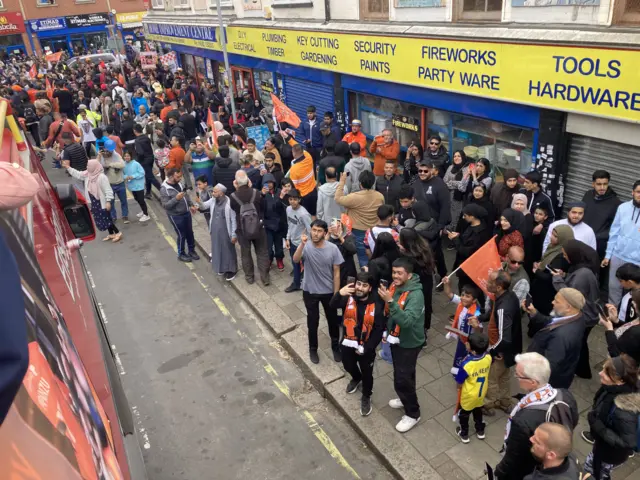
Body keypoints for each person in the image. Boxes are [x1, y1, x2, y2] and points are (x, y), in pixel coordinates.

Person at [494, 352, 579, 480]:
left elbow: (513, 458)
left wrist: (499, 472)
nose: (515, 376)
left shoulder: (522, 422)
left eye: (518, 375)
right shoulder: (565, 395)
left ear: (533, 382)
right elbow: (573, 420)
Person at [378, 257, 425, 433]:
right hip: (396, 339)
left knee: (402, 378)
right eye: (393, 272)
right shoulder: (397, 287)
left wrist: (390, 301)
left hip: (409, 342)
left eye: (399, 273)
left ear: (409, 275)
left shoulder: (416, 295)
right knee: (404, 373)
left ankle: (413, 413)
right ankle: (404, 398)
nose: (395, 276)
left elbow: (406, 322)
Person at [330, 272, 386, 416]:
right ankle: (356, 378)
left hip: (366, 347)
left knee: (367, 374)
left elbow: (379, 330)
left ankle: (366, 396)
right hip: (348, 342)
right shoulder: (348, 297)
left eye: (364, 285)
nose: (360, 288)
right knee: (348, 365)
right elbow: (332, 305)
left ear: (370, 288)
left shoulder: (377, 305)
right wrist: (339, 293)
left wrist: (367, 348)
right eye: (358, 284)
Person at [293, 220, 344, 364]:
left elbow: (336, 273)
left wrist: (336, 294)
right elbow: (296, 260)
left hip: (328, 292)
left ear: (325, 233)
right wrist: (302, 244)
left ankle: (335, 347)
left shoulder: (333, 249)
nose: (315, 233)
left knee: (332, 321)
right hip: (310, 291)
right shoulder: (306, 246)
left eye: (319, 231)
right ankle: (313, 349)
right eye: (313, 230)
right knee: (312, 322)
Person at [473, 270, 521, 415]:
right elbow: (492, 313)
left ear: (499, 287)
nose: (486, 283)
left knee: (491, 379)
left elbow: (504, 338)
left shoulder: (503, 308)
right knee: (504, 377)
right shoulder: (508, 296)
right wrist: (481, 318)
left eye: (490, 282)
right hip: (510, 350)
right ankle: (505, 403)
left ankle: (487, 405)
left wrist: (492, 352)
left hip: (499, 350)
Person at [583, 355, 639, 480]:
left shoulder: (624, 410)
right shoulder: (611, 388)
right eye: (602, 369)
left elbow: (628, 443)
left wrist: (599, 427)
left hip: (609, 454)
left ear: (620, 381)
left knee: (593, 471)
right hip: (602, 445)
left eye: (606, 374)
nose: (600, 373)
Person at [551, 239, 601, 379]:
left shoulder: (583, 274)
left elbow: (569, 296)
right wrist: (565, 276)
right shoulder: (584, 268)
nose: (565, 258)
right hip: (589, 314)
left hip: (584, 317)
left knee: (579, 344)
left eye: (566, 255)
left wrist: (557, 279)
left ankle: (582, 370)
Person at [525, 288, 587, 389]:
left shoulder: (561, 336)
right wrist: (534, 313)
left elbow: (549, 366)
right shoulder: (576, 316)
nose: (552, 302)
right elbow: (553, 322)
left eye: (557, 301)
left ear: (568, 307)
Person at [63, 159, 122, 242]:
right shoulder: (88, 174)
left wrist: (108, 201)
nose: (87, 167)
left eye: (89, 166)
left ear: (94, 166)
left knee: (106, 218)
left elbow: (108, 190)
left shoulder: (102, 177)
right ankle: (111, 234)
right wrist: (68, 167)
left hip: (101, 201)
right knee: (101, 218)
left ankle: (118, 232)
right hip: (94, 201)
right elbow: (78, 174)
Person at [335, 170, 385, 268]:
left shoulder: (354, 197)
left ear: (360, 183)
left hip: (358, 232)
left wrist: (342, 181)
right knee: (375, 255)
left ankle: (365, 278)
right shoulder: (379, 196)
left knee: (362, 257)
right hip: (374, 231)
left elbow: (337, 198)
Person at [229, 170, 271, 286]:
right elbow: (263, 207)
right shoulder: (256, 193)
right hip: (259, 228)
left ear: (236, 182)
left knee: (246, 254)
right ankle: (265, 278)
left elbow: (234, 209)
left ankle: (249, 277)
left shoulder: (232, 197)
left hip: (242, 230)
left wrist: (236, 189)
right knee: (262, 252)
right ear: (248, 180)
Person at [602, 180, 640, 307]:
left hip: (637, 261)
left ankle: (628, 319)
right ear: (632, 192)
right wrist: (608, 255)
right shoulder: (623, 208)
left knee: (635, 292)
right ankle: (612, 318)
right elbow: (614, 232)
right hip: (618, 255)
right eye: (638, 192)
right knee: (614, 287)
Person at [530, 225, 574, 320]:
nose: (551, 237)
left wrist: (536, 271)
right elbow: (547, 263)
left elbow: (550, 277)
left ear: (563, 238)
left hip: (547, 293)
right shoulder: (554, 248)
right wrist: (541, 265)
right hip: (543, 290)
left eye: (555, 236)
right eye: (552, 234)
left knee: (540, 316)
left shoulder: (561, 256)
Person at [454, 332, 491, 444]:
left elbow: (459, 381)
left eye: (468, 343)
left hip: (468, 394)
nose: (466, 343)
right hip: (481, 392)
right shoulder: (488, 358)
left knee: (464, 414)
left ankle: (464, 433)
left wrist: (458, 388)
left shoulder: (467, 364)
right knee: (478, 410)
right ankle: (480, 430)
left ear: (473, 351)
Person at [442, 276, 482, 375]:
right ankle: (458, 371)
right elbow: (449, 294)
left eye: (467, 296)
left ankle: (465, 373)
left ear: (474, 300)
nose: (463, 298)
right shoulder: (461, 302)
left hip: (469, 341)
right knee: (459, 355)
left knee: (467, 357)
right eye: (462, 295)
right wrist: (446, 284)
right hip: (461, 337)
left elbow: (480, 332)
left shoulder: (476, 314)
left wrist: (476, 326)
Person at [449, 203, 493, 292]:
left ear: (472, 217)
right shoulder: (474, 226)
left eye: (465, 215)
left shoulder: (478, 234)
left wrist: (455, 239)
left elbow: (467, 251)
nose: (463, 217)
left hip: (469, 270)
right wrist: (459, 236)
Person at [199, 183, 238, 280]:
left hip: (226, 232)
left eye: (215, 191)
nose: (212, 193)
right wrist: (199, 202)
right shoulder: (213, 200)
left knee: (228, 251)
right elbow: (204, 206)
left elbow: (233, 220)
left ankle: (231, 270)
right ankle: (222, 267)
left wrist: (234, 234)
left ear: (221, 193)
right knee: (217, 249)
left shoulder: (229, 203)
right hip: (215, 231)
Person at [160, 168, 200, 263]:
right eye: (178, 177)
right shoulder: (164, 189)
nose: (180, 178)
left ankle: (191, 250)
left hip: (186, 212)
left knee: (190, 233)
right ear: (171, 176)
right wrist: (176, 199)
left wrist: (191, 205)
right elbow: (165, 205)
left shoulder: (179, 183)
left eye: (180, 176)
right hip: (176, 216)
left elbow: (185, 195)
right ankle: (181, 253)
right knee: (182, 235)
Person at [583, 170, 622, 261]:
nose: (602, 187)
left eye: (605, 184)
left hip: (599, 245)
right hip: (582, 239)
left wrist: (598, 236)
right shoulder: (588, 194)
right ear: (593, 184)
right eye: (599, 184)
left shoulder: (615, 202)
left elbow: (615, 227)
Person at [600, 289, 640, 364]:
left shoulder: (635, 333)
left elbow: (616, 353)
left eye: (635, 301)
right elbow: (629, 326)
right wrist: (616, 321)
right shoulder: (638, 319)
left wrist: (609, 329)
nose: (632, 302)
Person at [285, 188, 312, 293]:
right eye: (291, 199)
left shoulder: (304, 214)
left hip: (302, 244)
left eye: (295, 199)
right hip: (292, 242)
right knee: (295, 264)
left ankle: (298, 283)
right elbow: (290, 225)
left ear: (299, 200)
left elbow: (310, 230)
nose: (293, 201)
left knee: (305, 265)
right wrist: (288, 238)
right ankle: (298, 282)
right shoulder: (288, 209)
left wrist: (308, 244)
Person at [99, 139, 129, 224]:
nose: (108, 153)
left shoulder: (116, 155)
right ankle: (113, 217)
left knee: (124, 201)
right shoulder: (102, 157)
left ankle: (125, 216)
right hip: (110, 184)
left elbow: (122, 164)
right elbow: (100, 166)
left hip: (120, 182)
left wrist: (110, 164)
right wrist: (100, 157)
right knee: (111, 202)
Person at [262, 172, 287, 272]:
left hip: (279, 224)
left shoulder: (280, 192)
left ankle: (279, 259)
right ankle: (269, 259)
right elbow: (260, 208)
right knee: (268, 246)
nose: (269, 184)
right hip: (268, 224)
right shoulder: (262, 194)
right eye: (266, 182)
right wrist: (261, 195)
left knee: (279, 245)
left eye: (270, 182)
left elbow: (283, 207)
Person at [287, 140, 318, 217]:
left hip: (304, 196)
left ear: (293, 154)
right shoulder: (308, 156)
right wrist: (288, 138)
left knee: (304, 216)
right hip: (314, 191)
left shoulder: (294, 169)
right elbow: (297, 145)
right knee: (313, 214)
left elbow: (292, 186)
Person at [443, 150, 470, 232]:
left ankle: (454, 233)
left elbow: (463, 185)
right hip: (448, 195)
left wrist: (451, 183)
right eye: (455, 156)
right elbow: (444, 181)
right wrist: (456, 184)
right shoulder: (451, 167)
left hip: (459, 198)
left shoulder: (467, 169)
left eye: (459, 156)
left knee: (456, 215)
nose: (456, 158)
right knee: (448, 213)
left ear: (463, 157)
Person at [328, 216, 357, 288]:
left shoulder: (349, 236)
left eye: (339, 226)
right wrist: (328, 234)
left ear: (342, 227)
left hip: (348, 270)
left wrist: (341, 238)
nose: (336, 228)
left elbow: (353, 250)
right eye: (334, 226)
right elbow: (322, 250)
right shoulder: (328, 237)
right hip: (334, 270)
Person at [133, 124, 161, 198]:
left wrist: (138, 161)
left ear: (135, 131)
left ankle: (163, 190)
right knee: (147, 176)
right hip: (151, 158)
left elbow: (140, 153)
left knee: (150, 177)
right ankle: (148, 192)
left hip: (144, 160)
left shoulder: (137, 140)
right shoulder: (146, 137)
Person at [122, 150, 150, 223]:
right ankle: (143, 211)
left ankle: (146, 214)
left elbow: (142, 172)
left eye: (128, 156)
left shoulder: (136, 164)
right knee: (136, 198)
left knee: (141, 199)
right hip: (131, 185)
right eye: (125, 156)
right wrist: (126, 177)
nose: (126, 157)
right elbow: (123, 174)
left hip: (139, 185)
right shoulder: (123, 164)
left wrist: (133, 176)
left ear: (131, 156)